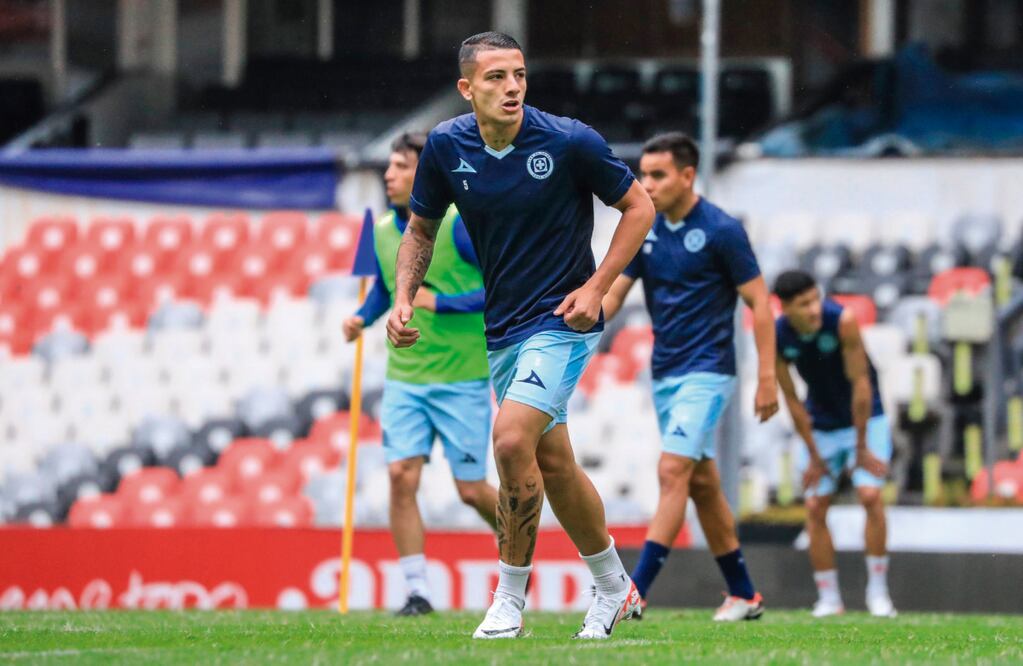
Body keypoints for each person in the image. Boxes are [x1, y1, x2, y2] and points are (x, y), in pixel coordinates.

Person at [386, 32, 655, 639]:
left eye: (519, 75)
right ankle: (614, 587)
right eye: (496, 78)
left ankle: (508, 601)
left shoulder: (568, 139)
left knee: (510, 443)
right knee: (553, 461)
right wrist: (404, 298)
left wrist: (597, 289)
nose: (512, 88)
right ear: (467, 89)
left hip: (563, 320)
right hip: (503, 328)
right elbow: (421, 231)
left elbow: (639, 208)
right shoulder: (446, 147)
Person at [602, 132, 777, 621]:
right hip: (665, 372)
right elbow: (617, 290)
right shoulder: (645, 227)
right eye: (644, 174)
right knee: (700, 483)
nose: (647, 184)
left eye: (657, 175)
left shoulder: (721, 229)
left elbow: (760, 301)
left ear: (687, 175)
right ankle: (744, 593)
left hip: (709, 370)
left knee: (672, 469)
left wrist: (767, 378)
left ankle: (634, 591)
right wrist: (589, 315)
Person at [342, 132, 498, 617]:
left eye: (399, 166)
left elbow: (499, 288)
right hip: (405, 379)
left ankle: (520, 553)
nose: (388, 175)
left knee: (471, 491)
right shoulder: (382, 231)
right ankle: (417, 591)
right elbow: (386, 292)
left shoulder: (457, 226)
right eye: (387, 167)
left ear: (425, 173)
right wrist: (361, 318)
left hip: (463, 378)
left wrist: (443, 303)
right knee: (399, 475)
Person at [772, 269, 897, 618]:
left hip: (866, 418)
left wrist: (860, 447)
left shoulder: (843, 321)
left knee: (870, 496)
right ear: (785, 308)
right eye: (803, 304)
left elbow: (861, 384)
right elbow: (792, 399)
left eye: (815, 299)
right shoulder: (777, 336)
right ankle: (829, 598)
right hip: (821, 424)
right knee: (814, 507)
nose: (813, 309)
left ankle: (878, 593)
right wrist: (813, 453)